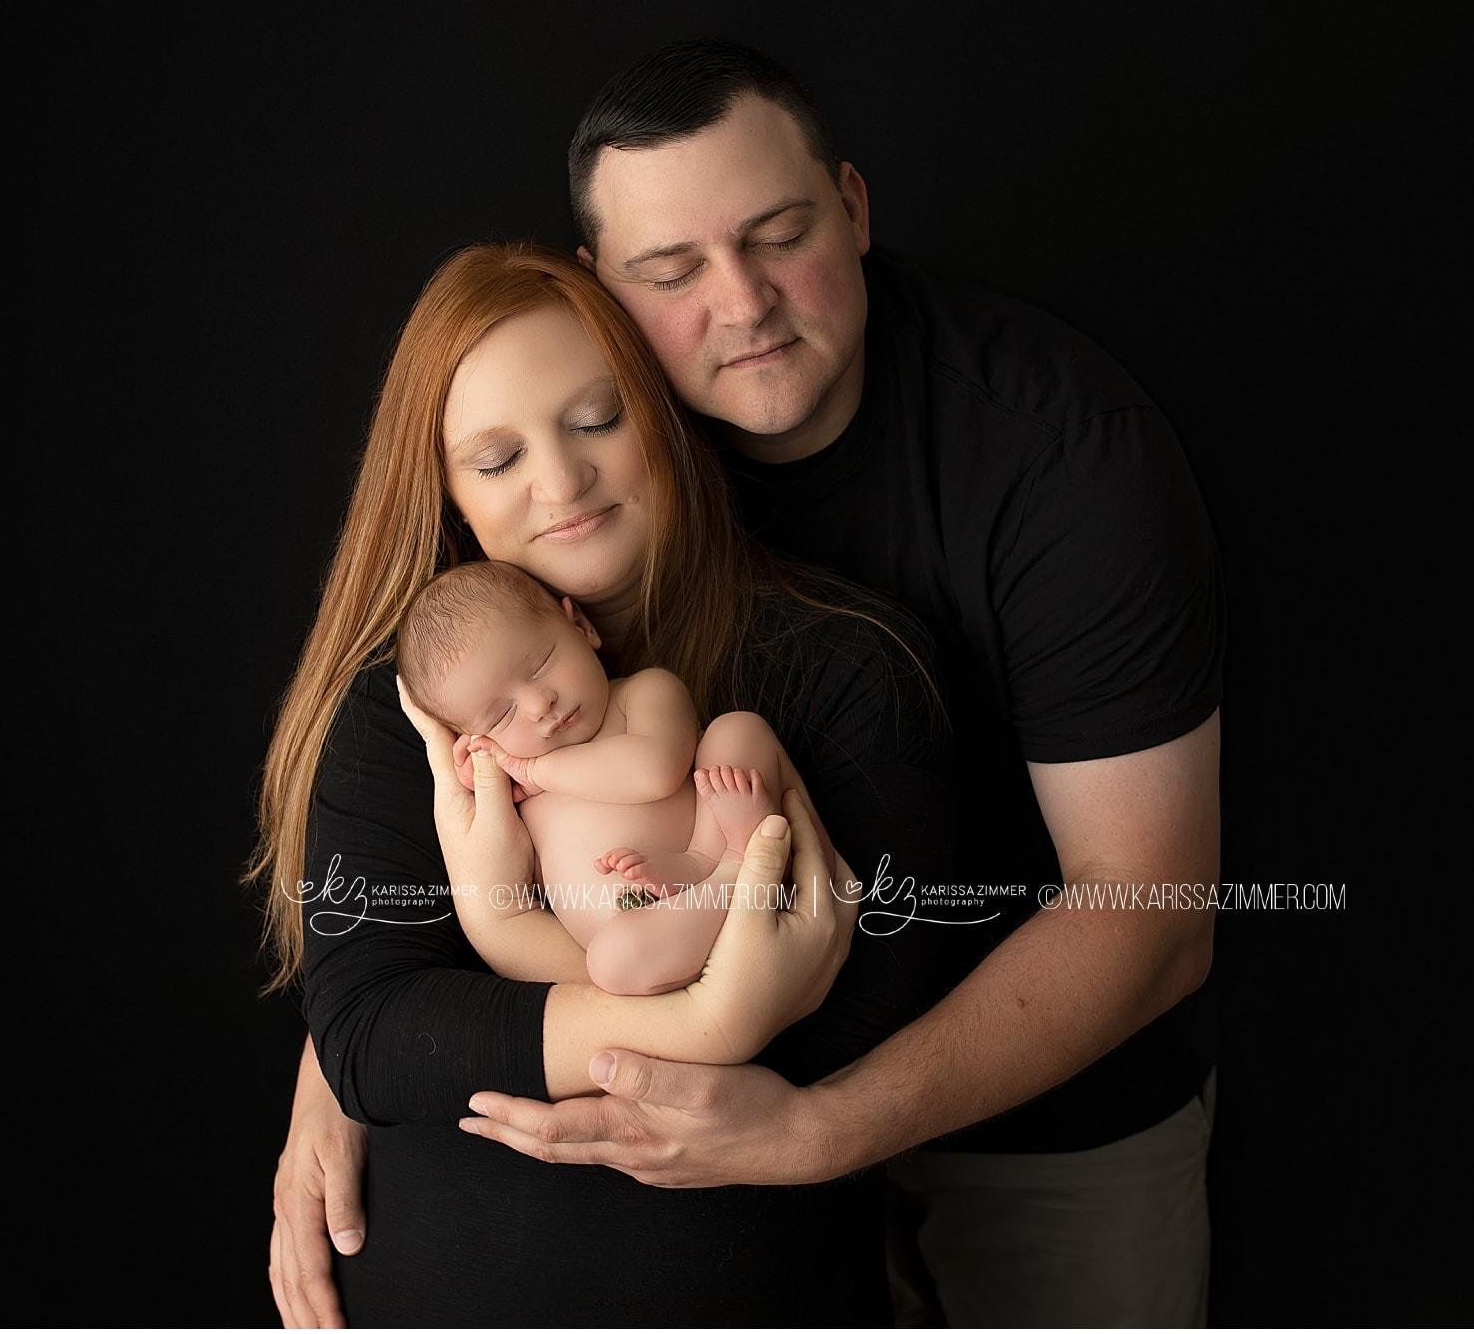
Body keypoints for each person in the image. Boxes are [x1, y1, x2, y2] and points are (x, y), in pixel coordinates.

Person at [268, 42, 1227, 1329]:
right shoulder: (583, 483)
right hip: (743, 1087)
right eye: (670, 271)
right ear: (605, 289)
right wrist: (345, 1052)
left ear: (854, 205)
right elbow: (390, 967)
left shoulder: (1057, 459)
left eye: (779, 235)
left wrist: (815, 1119)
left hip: (1040, 1082)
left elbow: (1148, 907)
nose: (742, 302)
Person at [251, 240, 959, 1327]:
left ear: (660, 413)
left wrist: (528, 990)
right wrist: (717, 1013)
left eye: (595, 422)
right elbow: (375, 1034)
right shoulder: (419, 713)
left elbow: (861, 1030)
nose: (562, 481)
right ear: (443, 494)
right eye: (495, 460)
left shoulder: (840, 667)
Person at [395, 558, 798, 996]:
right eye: (502, 714)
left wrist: (536, 768)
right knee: (609, 960)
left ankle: (727, 865)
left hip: (728, 856)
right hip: (659, 937)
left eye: (541, 664)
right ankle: (725, 882)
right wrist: (483, 777)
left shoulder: (643, 693)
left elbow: (654, 772)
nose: (538, 704)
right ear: (478, 738)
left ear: (581, 626)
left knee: (738, 732)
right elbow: (504, 875)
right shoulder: (517, 790)